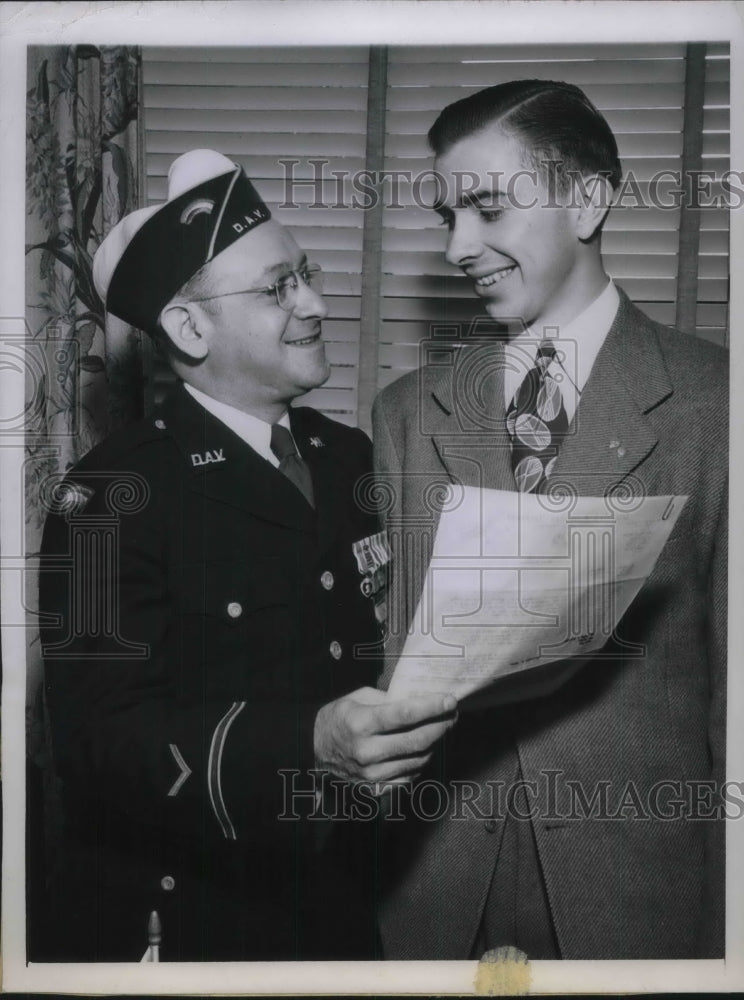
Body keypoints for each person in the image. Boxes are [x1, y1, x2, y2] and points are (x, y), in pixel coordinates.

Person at [38, 149, 455, 961]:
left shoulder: (349, 458)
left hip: (343, 902)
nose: (315, 303)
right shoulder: (102, 497)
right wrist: (309, 744)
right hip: (199, 918)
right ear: (189, 330)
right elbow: (98, 742)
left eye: (307, 273)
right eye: (277, 289)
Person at [369, 81, 728, 960]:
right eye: (448, 215)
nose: (459, 246)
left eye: (488, 208)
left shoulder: (719, 405)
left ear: (589, 199)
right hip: (435, 888)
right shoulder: (408, 413)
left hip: (643, 897)